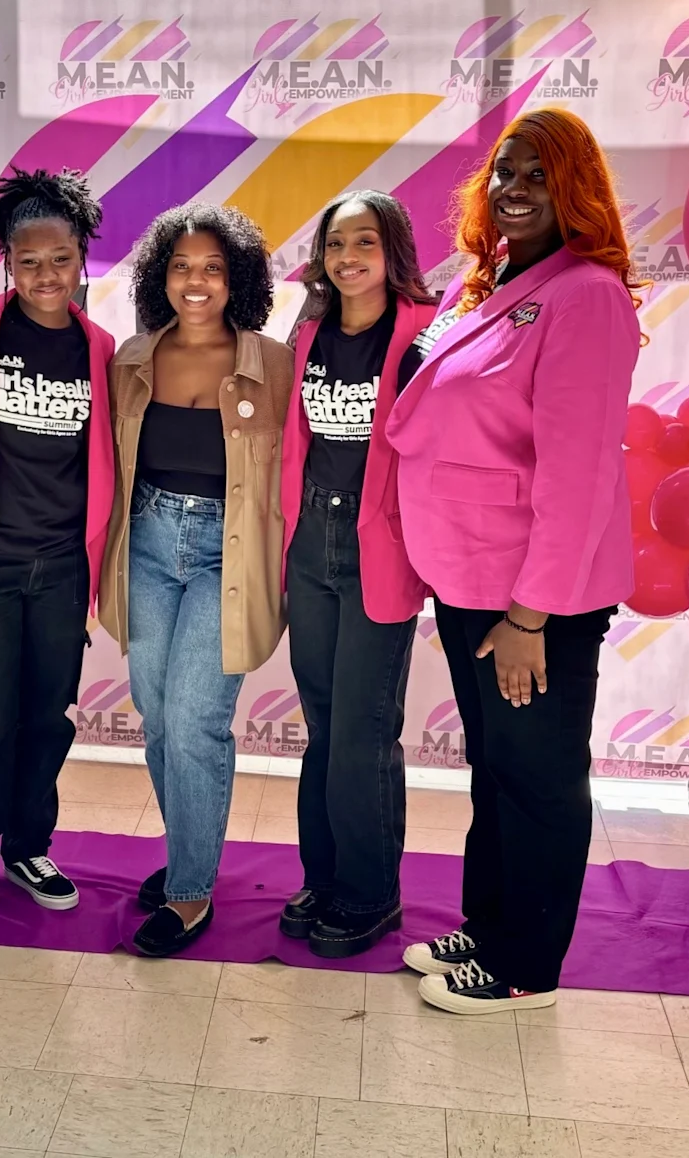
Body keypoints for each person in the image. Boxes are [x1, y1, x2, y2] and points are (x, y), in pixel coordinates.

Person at [386, 107, 642, 1013]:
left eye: (538, 173)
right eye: (504, 171)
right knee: (497, 766)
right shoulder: (496, 283)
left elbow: (577, 476)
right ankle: (490, 922)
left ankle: (527, 964)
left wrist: (532, 617)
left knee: (536, 776)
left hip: (534, 601)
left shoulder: (587, 295)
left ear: (575, 187)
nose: (516, 188)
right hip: (470, 580)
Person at [100, 202, 293, 957]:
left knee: (195, 718)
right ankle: (191, 852)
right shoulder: (131, 358)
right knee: (156, 712)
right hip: (146, 541)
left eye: (213, 266)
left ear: (237, 276)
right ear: (160, 275)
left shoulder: (272, 361)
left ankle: (190, 890)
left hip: (229, 552)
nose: (197, 280)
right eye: (181, 265)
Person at [0, 168, 114, 921]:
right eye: (29, 260)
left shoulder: (102, 348)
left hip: (63, 569)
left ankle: (29, 846)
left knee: (48, 718)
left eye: (61, 259)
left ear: (82, 260)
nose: (46, 275)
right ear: (7, 260)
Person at [278, 191, 435, 958]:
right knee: (323, 727)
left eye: (364, 243)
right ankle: (325, 875)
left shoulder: (422, 338)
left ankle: (373, 894)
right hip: (311, 543)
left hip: (381, 547)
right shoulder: (307, 334)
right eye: (336, 244)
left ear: (392, 250)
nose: (348, 258)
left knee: (364, 735)